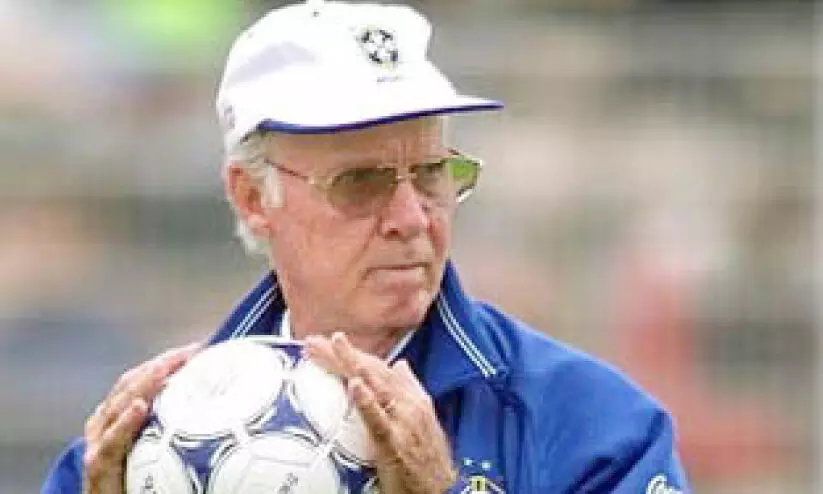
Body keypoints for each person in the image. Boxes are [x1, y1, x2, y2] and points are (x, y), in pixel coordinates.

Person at [42, 1, 690, 493]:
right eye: (360, 182)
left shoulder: (597, 428)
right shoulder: (142, 444)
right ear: (251, 196)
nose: (411, 218)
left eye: (431, 173)